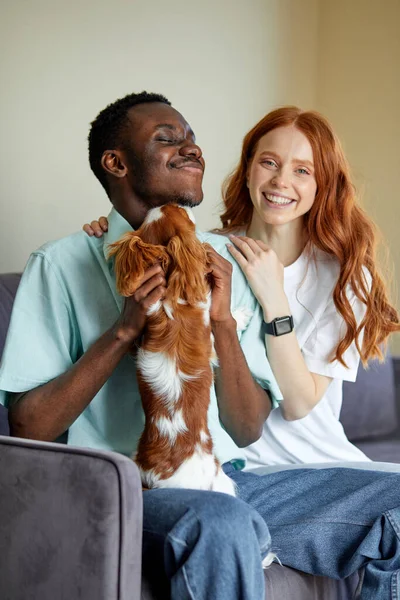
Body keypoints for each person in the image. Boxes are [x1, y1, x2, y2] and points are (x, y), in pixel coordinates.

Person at [1, 91, 400, 600]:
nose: (192, 150)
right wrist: (124, 330)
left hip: (236, 476)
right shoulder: (59, 264)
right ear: (115, 163)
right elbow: (27, 425)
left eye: (192, 139)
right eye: (169, 139)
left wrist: (223, 325)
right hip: (127, 486)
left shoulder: (221, 261)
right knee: (224, 523)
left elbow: (248, 426)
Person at [85, 106, 400, 467]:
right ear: (248, 169)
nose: (281, 181)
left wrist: (275, 300)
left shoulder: (344, 276)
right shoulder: (209, 251)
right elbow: (140, 248)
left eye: (302, 170)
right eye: (269, 162)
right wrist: (110, 232)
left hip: (320, 466)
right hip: (231, 466)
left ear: (322, 184)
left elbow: (299, 405)